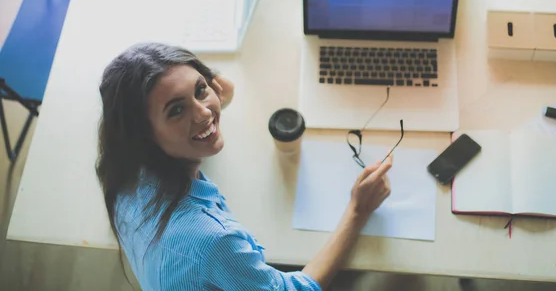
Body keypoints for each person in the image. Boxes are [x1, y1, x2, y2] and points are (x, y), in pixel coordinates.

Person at [96, 42, 393, 290]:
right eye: (176, 110)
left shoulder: (123, 167)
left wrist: (201, 101)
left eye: (200, 90)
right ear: (145, 135)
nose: (203, 112)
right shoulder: (214, 240)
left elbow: (213, 98)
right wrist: (358, 210)